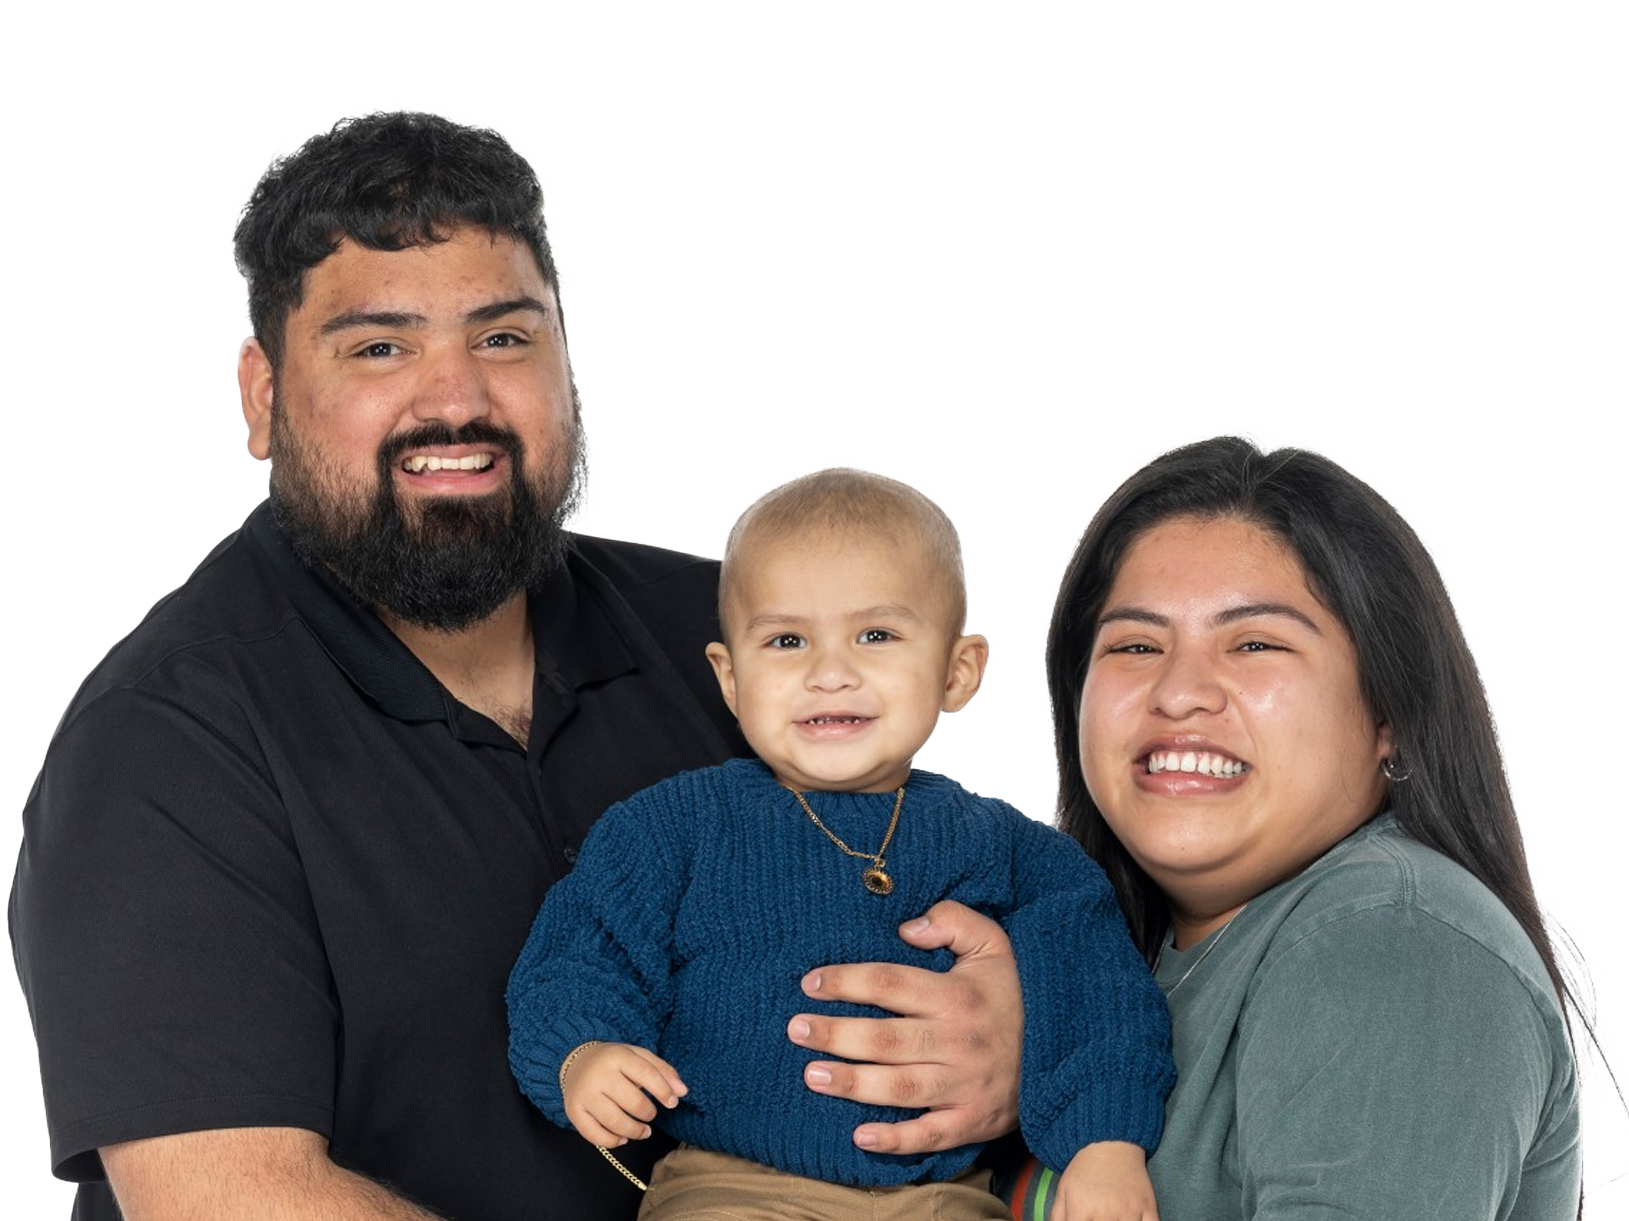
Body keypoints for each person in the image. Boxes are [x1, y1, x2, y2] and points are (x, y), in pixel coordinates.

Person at [8, 111, 1026, 1221]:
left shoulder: (738, 644)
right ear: (262, 394)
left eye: (504, 338)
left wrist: (1016, 1036)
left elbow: (969, 886)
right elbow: (233, 1196)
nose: (456, 401)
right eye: (379, 346)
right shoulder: (166, 740)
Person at [507, 468, 1175, 1220]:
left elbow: (1097, 993)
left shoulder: (1011, 849)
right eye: (787, 639)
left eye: (876, 634)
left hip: (941, 1195)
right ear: (730, 677)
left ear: (958, 671)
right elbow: (582, 951)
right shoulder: (671, 827)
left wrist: (1103, 1146)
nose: (829, 672)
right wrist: (581, 1052)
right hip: (733, 1184)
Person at [1036, 434, 1601, 1219]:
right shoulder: (1085, 968)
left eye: (1254, 642)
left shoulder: (1388, 937)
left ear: (1388, 714)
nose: (1179, 692)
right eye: (1135, 644)